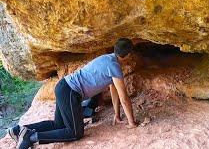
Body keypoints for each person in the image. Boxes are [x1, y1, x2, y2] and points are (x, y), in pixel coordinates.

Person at [8, 38, 137, 149]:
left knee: (58, 125)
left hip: (63, 86)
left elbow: (114, 91)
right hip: (70, 91)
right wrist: (131, 123)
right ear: (129, 54)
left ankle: (18, 130)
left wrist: (117, 114)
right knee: (75, 133)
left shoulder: (107, 59)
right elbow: (124, 98)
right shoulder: (114, 67)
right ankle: (30, 137)